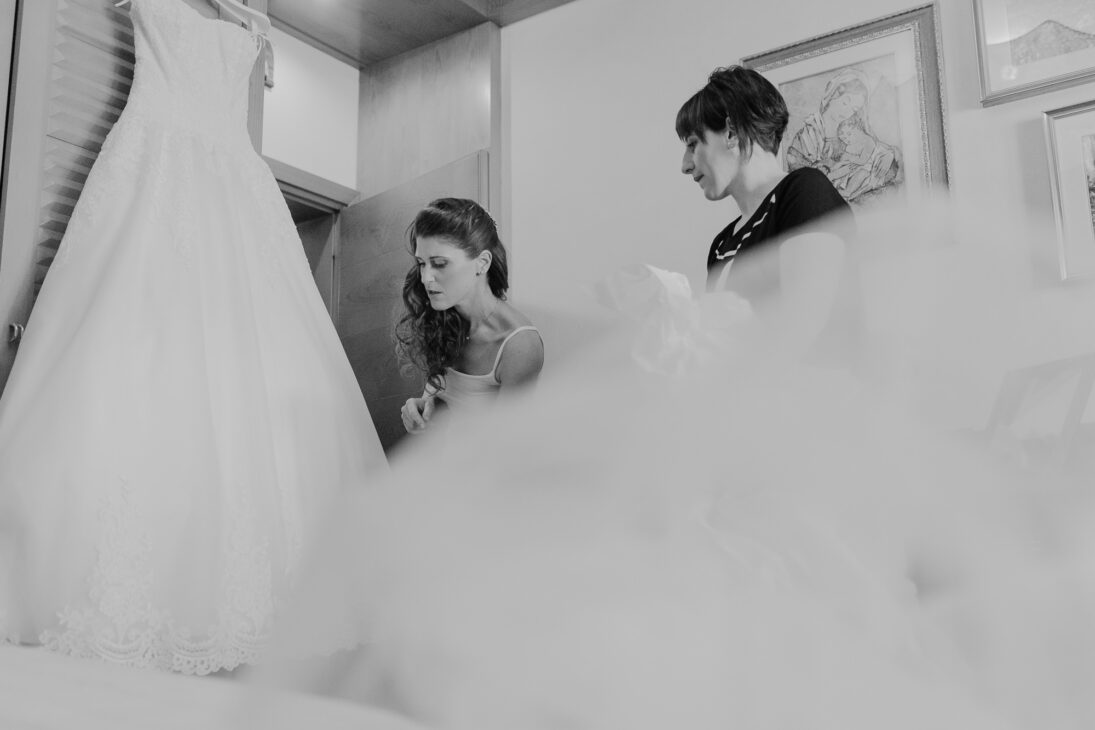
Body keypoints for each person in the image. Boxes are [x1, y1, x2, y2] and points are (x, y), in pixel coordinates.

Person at [0, 0, 387, 674]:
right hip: (151, 170)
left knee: (235, 366)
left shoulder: (251, 28)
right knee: (132, 336)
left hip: (233, 184)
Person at [676, 65, 859, 362]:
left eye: (693, 144)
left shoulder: (805, 191)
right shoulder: (721, 244)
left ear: (731, 133)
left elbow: (801, 327)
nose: (685, 165)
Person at [396, 198, 543, 434]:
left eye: (440, 263)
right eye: (422, 263)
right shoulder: (444, 318)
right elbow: (446, 399)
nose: (425, 278)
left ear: (482, 263)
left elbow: (510, 443)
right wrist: (422, 409)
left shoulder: (519, 345)